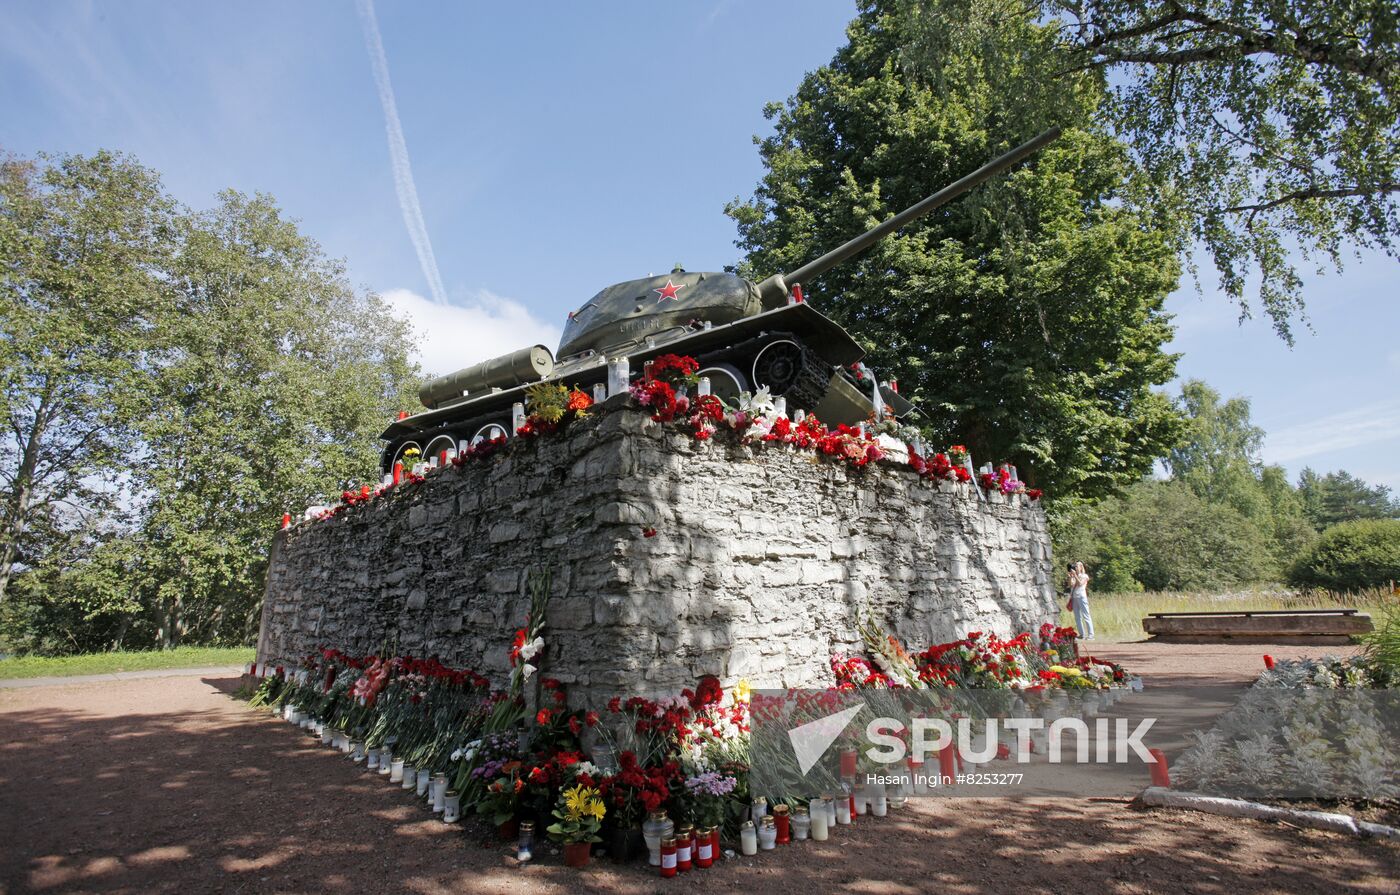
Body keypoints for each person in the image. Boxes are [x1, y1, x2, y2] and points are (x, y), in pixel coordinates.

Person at [1067, 561, 1094, 640]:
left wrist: (1075, 575)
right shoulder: (1075, 576)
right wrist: (1070, 577)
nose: (1075, 567)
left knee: (1086, 615)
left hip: (1082, 597)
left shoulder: (1084, 576)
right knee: (1077, 617)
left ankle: (1091, 635)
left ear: (1081, 567)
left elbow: (1080, 584)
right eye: (1075, 566)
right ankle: (1082, 634)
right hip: (1075, 597)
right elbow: (1071, 585)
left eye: (1077, 566)